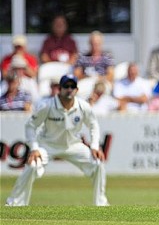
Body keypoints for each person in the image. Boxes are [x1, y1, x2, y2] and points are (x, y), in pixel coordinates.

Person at [4, 74, 109, 206]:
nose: (69, 89)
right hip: (48, 145)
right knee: (32, 166)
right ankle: (15, 203)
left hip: (73, 145)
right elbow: (30, 126)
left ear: (76, 89)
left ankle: (101, 204)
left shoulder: (83, 106)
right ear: (60, 89)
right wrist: (35, 148)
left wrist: (94, 146)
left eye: (72, 86)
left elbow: (93, 125)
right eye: (66, 86)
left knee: (97, 163)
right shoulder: (47, 106)